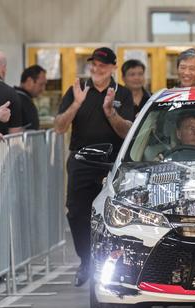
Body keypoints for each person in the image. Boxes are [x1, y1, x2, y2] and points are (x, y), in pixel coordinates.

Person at [53, 46, 135, 287]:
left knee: (117, 213)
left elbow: (127, 131)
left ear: (112, 67)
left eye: (102, 65)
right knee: (77, 212)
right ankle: (86, 261)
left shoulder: (124, 94)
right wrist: (76, 104)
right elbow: (59, 127)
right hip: (81, 160)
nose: (97, 69)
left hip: (113, 164)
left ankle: (116, 263)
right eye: (94, 64)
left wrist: (110, 112)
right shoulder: (76, 91)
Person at [15, 64, 47, 130]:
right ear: (29, 81)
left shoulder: (21, 98)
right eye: (41, 84)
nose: (43, 89)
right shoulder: (20, 100)